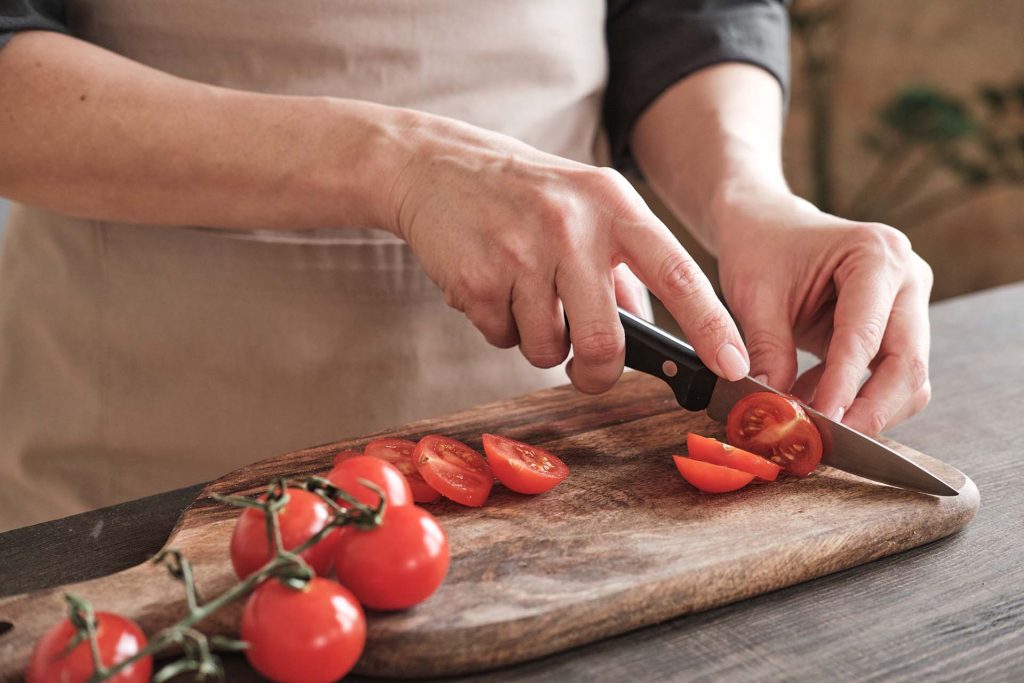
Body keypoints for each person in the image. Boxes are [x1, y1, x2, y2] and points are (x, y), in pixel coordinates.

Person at [0, 0, 933, 531]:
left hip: (554, 441)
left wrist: (750, 198)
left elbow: (685, 15)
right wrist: (394, 160)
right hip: (146, 439)